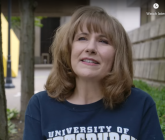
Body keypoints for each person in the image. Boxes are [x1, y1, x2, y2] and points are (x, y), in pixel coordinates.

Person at [23, 6, 164, 140]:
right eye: (82, 38)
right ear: (68, 49)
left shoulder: (140, 104)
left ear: (118, 55)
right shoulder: (41, 106)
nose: (91, 48)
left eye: (103, 41)